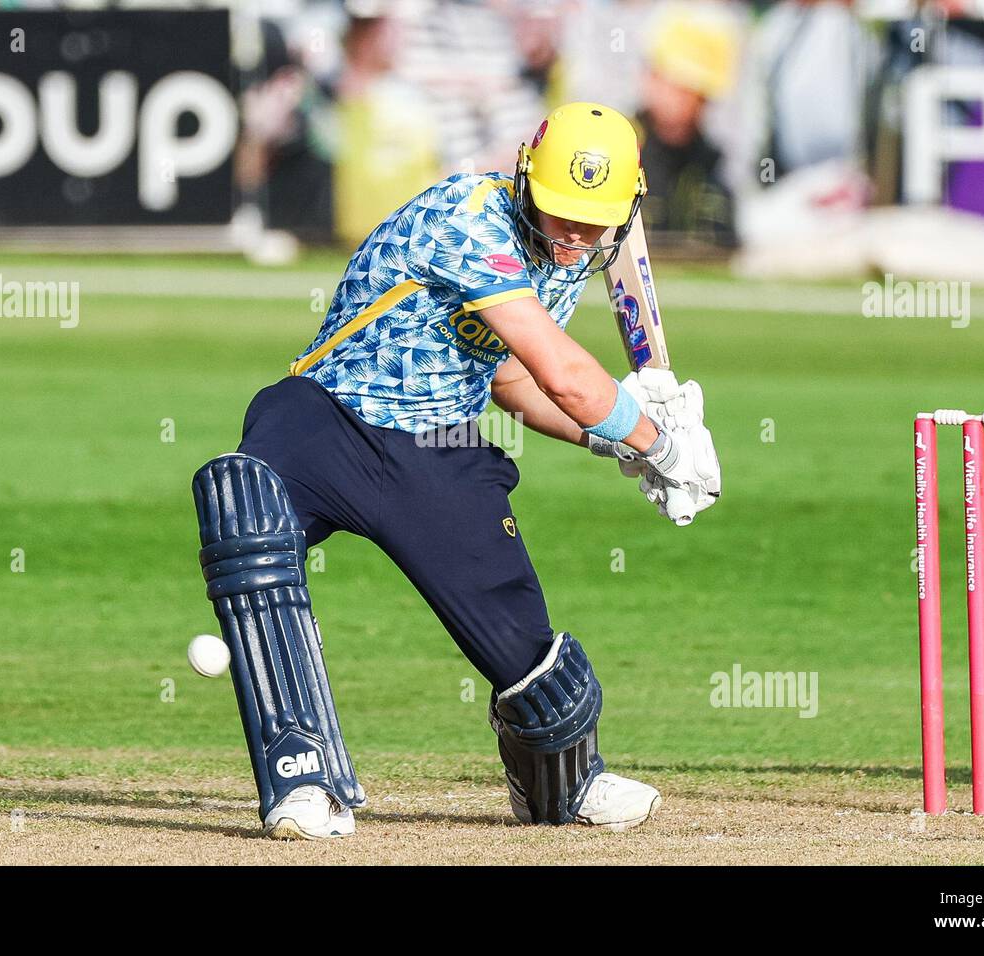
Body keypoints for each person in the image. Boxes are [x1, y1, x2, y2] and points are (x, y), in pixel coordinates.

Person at [191, 102, 721, 840]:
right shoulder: (469, 217)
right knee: (243, 503)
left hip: (437, 443)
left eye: (591, 221)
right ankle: (302, 779)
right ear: (525, 178)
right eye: (559, 212)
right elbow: (566, 374)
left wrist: (619, 444)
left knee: (527, 656)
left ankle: (561, 786)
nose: (572, 235)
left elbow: (511, 379)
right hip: (328, 415)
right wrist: (660, 440)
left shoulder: (560, 258)